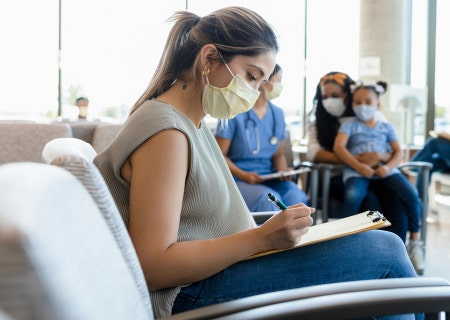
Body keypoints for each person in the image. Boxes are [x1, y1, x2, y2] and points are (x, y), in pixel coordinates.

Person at [93, 8, 418, 319]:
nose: (252, 92)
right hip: (191, 292)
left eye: (260, 82)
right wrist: (262, 238)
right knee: (385, 252)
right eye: (250, 76)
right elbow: (153, 266)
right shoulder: (167, 133)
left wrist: (269, 237)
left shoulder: (190, 124)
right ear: (209, 58)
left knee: (373, 262)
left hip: (224, 270)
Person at [306, 72, 413, 245]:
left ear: (348, 95)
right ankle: (362, 249)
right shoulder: (318, 121)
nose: (329, 101)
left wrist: (380, 156)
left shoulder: (369, 115)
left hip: (371, 174)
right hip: (336, 178)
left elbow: (388, 147)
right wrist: (357, 160)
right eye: (325, 97)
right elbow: (313, 153)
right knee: (369, 200)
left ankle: (396, 249)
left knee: (395, 201)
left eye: (335, 96)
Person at [334, 81, 425, 272]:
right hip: (357, 171)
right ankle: (340, 241)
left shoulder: (386, 127)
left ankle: (415, 242)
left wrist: (389, 167)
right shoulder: (350, 125)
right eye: (358, 102)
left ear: (378, 105)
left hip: (385, 170)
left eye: (368, 101)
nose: (363, 106)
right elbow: (339, 148)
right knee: (353, 196)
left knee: (410, 194)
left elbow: (398, 151)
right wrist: (358, 166)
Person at [215, 64, 308, 212]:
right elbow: (218, 156)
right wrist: (244, 175)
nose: (280, 86)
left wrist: (283, 172)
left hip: (269, 177)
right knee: (268, 200)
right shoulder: (232, 112)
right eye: (279, 80)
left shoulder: (278, 114)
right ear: (264, 81)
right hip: (238, 179)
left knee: (296, 197)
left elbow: (278, 156)